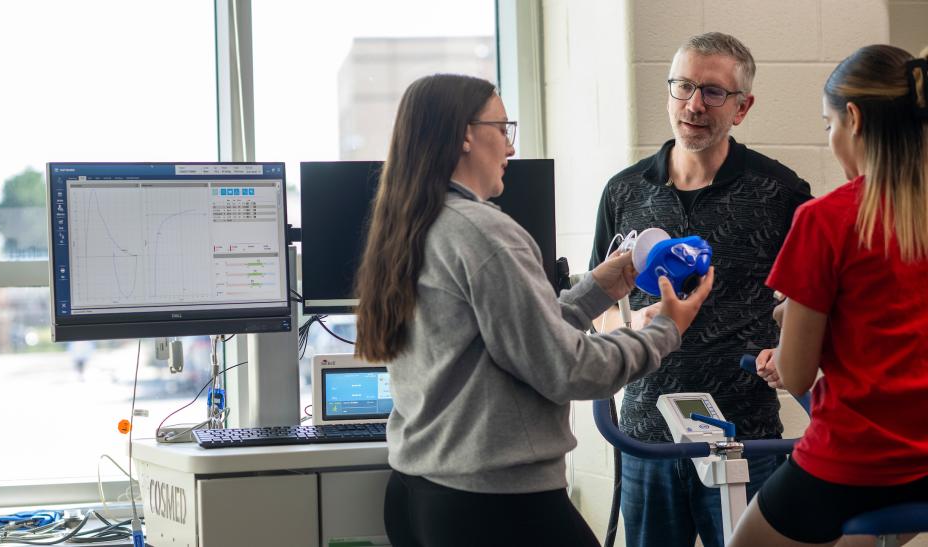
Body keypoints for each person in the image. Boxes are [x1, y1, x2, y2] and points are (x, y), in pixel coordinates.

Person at [353, 73, 714, 547]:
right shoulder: (485, 232)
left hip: (419, 494)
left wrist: (598, 289)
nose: (510, 147)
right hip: (494, 505)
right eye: (503, 128)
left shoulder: (415, 223)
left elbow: (514, 342)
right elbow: (566, 368)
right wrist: (666, 328)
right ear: (465, 134)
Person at [589, 32, 812, 547]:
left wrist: (790, 350)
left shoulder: (780, 192)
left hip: (746, 437)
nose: (693, 105)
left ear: (743, 107)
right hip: (645, 432)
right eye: (683, 86)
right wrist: (629, 325)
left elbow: (812, 296)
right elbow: (597, 309)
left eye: (713, 92)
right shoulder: (624, 191)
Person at [730, 44, 928, 547]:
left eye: (828, 126)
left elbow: (795, 374)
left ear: (854, 119)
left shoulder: (825, 219)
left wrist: (789, 316)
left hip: (856, 462)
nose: (832, 140)